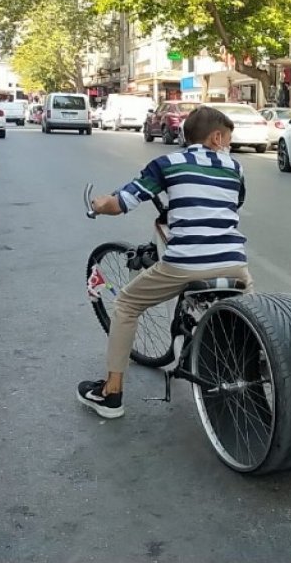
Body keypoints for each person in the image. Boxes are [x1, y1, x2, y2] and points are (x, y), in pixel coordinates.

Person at [77, 106, 253, 419]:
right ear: (216, 137)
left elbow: (121, 203)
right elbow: (234, 203)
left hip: (184, 265)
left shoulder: (167, 164)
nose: (228, 145)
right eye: (228, 138)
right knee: (252, 318)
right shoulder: (234, 167)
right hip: (235, 263)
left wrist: (100, 204)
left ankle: (111, 393)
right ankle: (255, 363)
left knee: (126, 304)